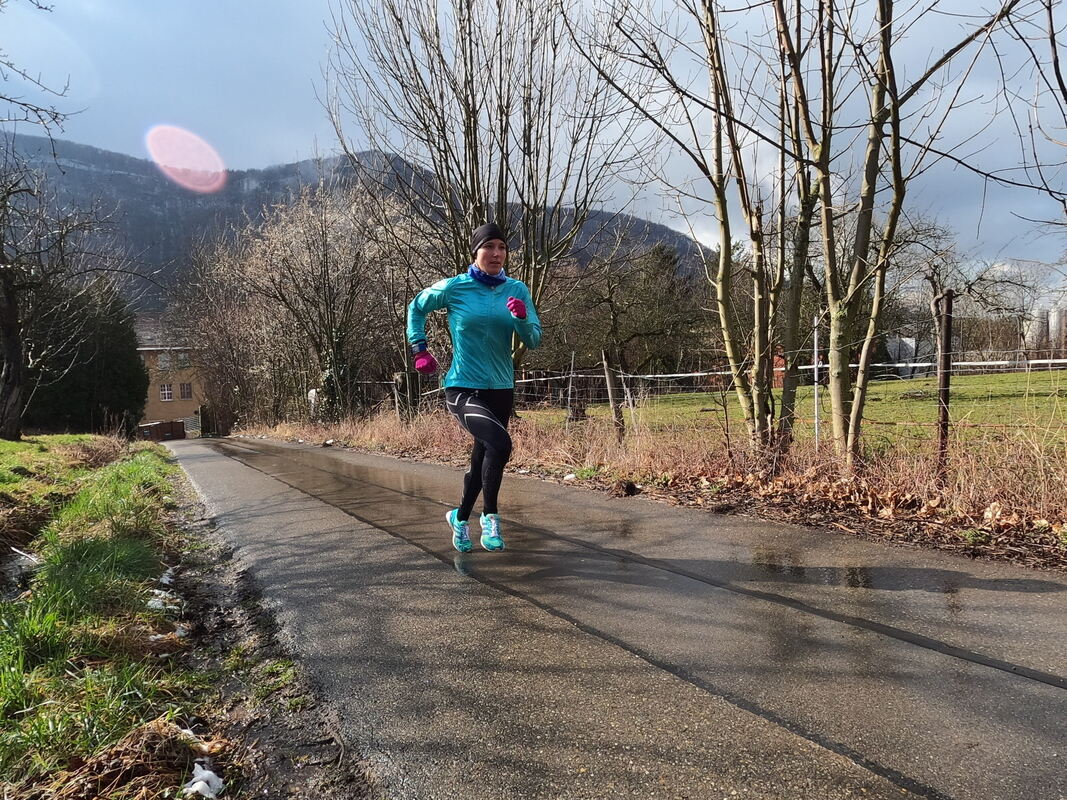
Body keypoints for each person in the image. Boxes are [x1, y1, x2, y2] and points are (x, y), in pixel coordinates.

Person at [407, 223, 541, 553]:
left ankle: (461, 517)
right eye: (489, 247)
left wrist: (522, 318)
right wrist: (419, 348)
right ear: (475, 252)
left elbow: (534, 339)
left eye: (502, 247)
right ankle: (490, 516)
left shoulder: (517, 289)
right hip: (463, 386)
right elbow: (416, 307)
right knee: (501, 443)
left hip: (501, 387)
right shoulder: (455, 287)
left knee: (485, 452)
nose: (496, 253)